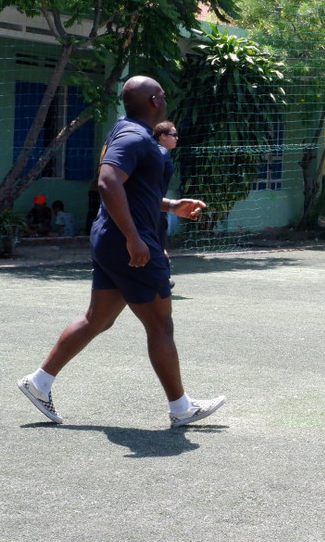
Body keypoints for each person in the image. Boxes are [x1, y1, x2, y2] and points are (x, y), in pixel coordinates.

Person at [15, 76, 222, 428]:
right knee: (160, 324)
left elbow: (133, 191)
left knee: (99, 318)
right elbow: (108, 181)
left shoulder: (125, 131)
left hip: (112, 239)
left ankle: (39, 382)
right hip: (129, 242)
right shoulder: (134, 136)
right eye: (165, 95)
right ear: (155, 100)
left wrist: (172, 206)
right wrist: (133, 238)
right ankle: (181, 408)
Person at [153, 121, 179, 239]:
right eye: (173, 135)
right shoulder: (161, 153)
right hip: (154, 207)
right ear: (162, 136)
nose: (176, 138)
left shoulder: (155, 151)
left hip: (155, 204)